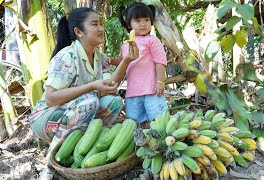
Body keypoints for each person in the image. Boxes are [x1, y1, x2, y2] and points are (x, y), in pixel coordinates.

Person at [27, 7, 138, 179]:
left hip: (76, 112)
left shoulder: (99, 57)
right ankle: (51, 166)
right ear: (78, 31)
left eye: (101, 24)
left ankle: (86, 153)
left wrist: (127, 60)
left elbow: (111, 86)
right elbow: (50, 98)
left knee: (113, 101)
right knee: (90, 101)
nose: (101, 28)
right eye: (95, 24)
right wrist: (91, 86)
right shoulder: (67, 57)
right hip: (47, 118)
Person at [106, 2, 168, 127]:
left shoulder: (152, 41)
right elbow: (122, 60)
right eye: (138, 21)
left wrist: (160, 82)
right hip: (133, 92)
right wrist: (111, 60)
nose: (143, 24)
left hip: (152, 90)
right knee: (133, 123)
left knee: (160, 121)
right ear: (129, 24)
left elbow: (160, 62)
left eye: (146, 20)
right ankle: (139, 144)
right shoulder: (126, 44)